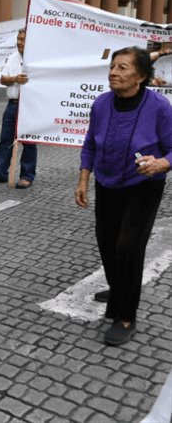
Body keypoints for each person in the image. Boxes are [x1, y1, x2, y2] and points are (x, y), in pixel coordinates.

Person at [74, 46, 172, 346]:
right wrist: (83, 179)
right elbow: (90, 143)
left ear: (141, 76)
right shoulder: (101, 104)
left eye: (123, 68)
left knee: (129, 246)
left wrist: (161, 163)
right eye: (113, 66)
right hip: (107, 182)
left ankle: (125, 315)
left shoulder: (159, 107)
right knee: (106, 240)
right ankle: (118, 288)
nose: (114, 72)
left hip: (143, 185)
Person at [0, 28, 37, 188]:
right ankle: (0, 172)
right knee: (5, 139)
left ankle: (27, 175)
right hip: (12, 104)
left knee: (28, 141)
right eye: (18, 39)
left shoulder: (36, 61)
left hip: (29, 106)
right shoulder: (12, 58)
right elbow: (3, 79)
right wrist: (15, 79)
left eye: (23, 39)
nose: (19, 42)